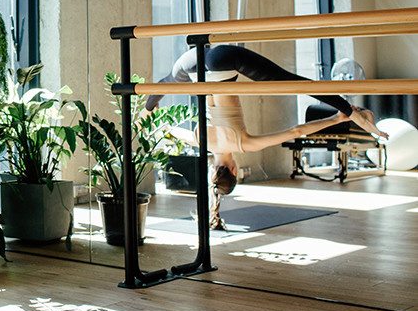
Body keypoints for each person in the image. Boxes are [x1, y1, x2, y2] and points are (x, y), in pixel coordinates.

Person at [144, 44, 386, 197]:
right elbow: (167, 130)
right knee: (169, 81)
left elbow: (297, 131)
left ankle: (353, 112)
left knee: (287, 81)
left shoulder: (244, 144)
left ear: (234, 170)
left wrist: (336, 118)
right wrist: (151, 114)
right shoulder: (200, 141)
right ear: (211, 170)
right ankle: (148, 103)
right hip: (191, 64)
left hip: (220, 63)